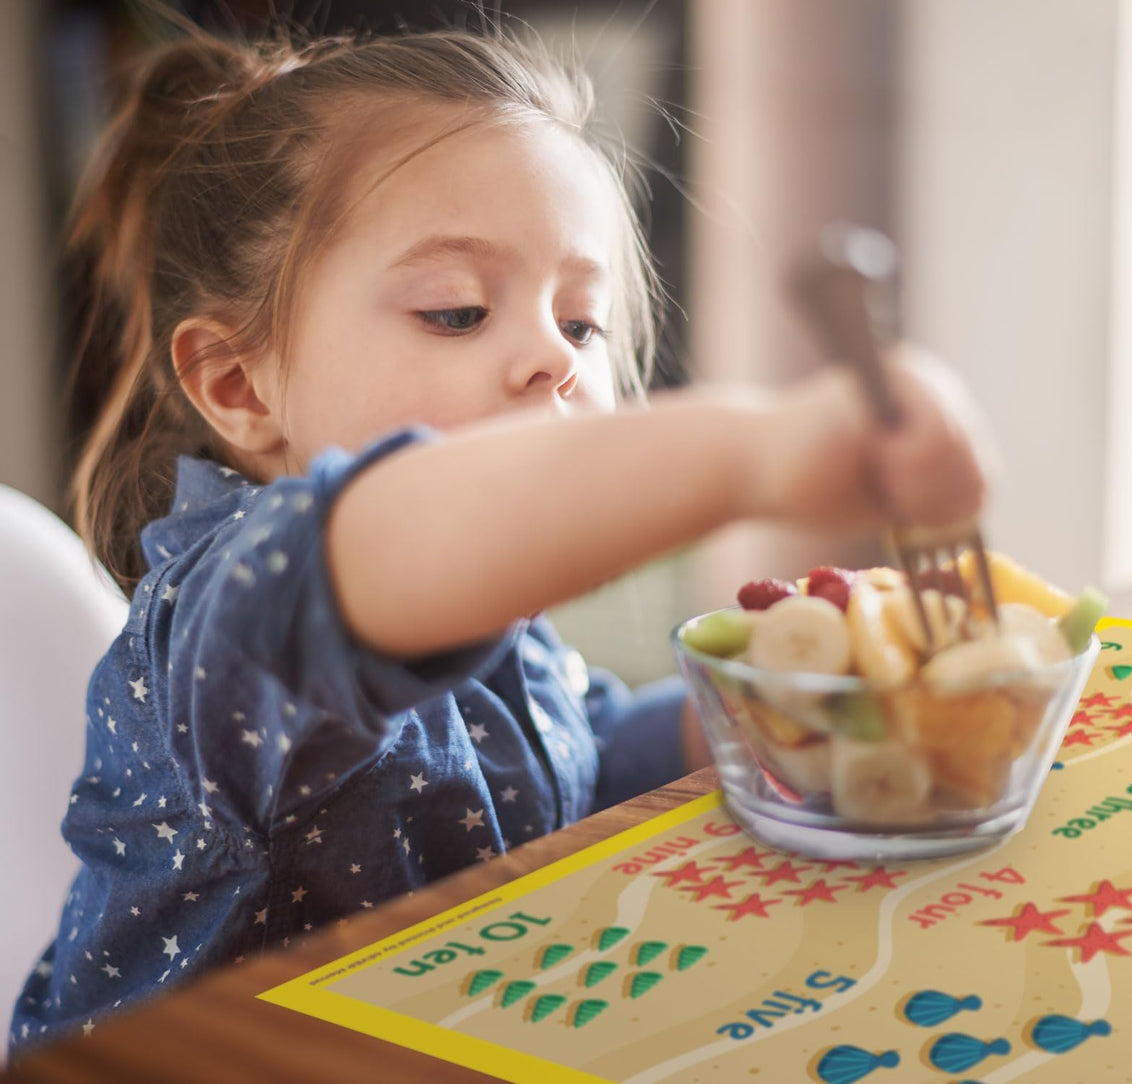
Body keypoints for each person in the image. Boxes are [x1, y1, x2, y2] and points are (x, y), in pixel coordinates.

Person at [8, 24, 989, 1055]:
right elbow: (396, 532)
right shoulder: (234, 618)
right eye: (457, 311)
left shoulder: (485, 612)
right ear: (239, 386)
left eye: (581, 323)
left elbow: (565, 763)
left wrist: (756, 714)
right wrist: (758, 448)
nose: (549, 359)